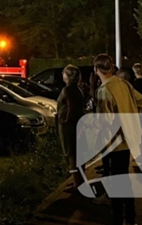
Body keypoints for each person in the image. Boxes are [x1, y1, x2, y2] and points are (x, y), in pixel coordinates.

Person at [92, 54, 142, 225]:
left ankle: (118, 219)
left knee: (115, 183)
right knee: (125, 179)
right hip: (128, 137)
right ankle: (130, 219)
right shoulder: (123, 83)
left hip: (113, 141)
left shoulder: (104, 90)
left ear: (96, 70)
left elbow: (105, 120)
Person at [56, 65, 84, 193]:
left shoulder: (67, 90)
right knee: (78, 153)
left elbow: (70, 106)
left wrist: (65, 119)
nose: (62, 75)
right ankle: (79, 180)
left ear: (67, 76)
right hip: (78, 123)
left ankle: (77, 184)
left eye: (64, 73)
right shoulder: (77, 89)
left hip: (69, 126)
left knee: (71, 154)